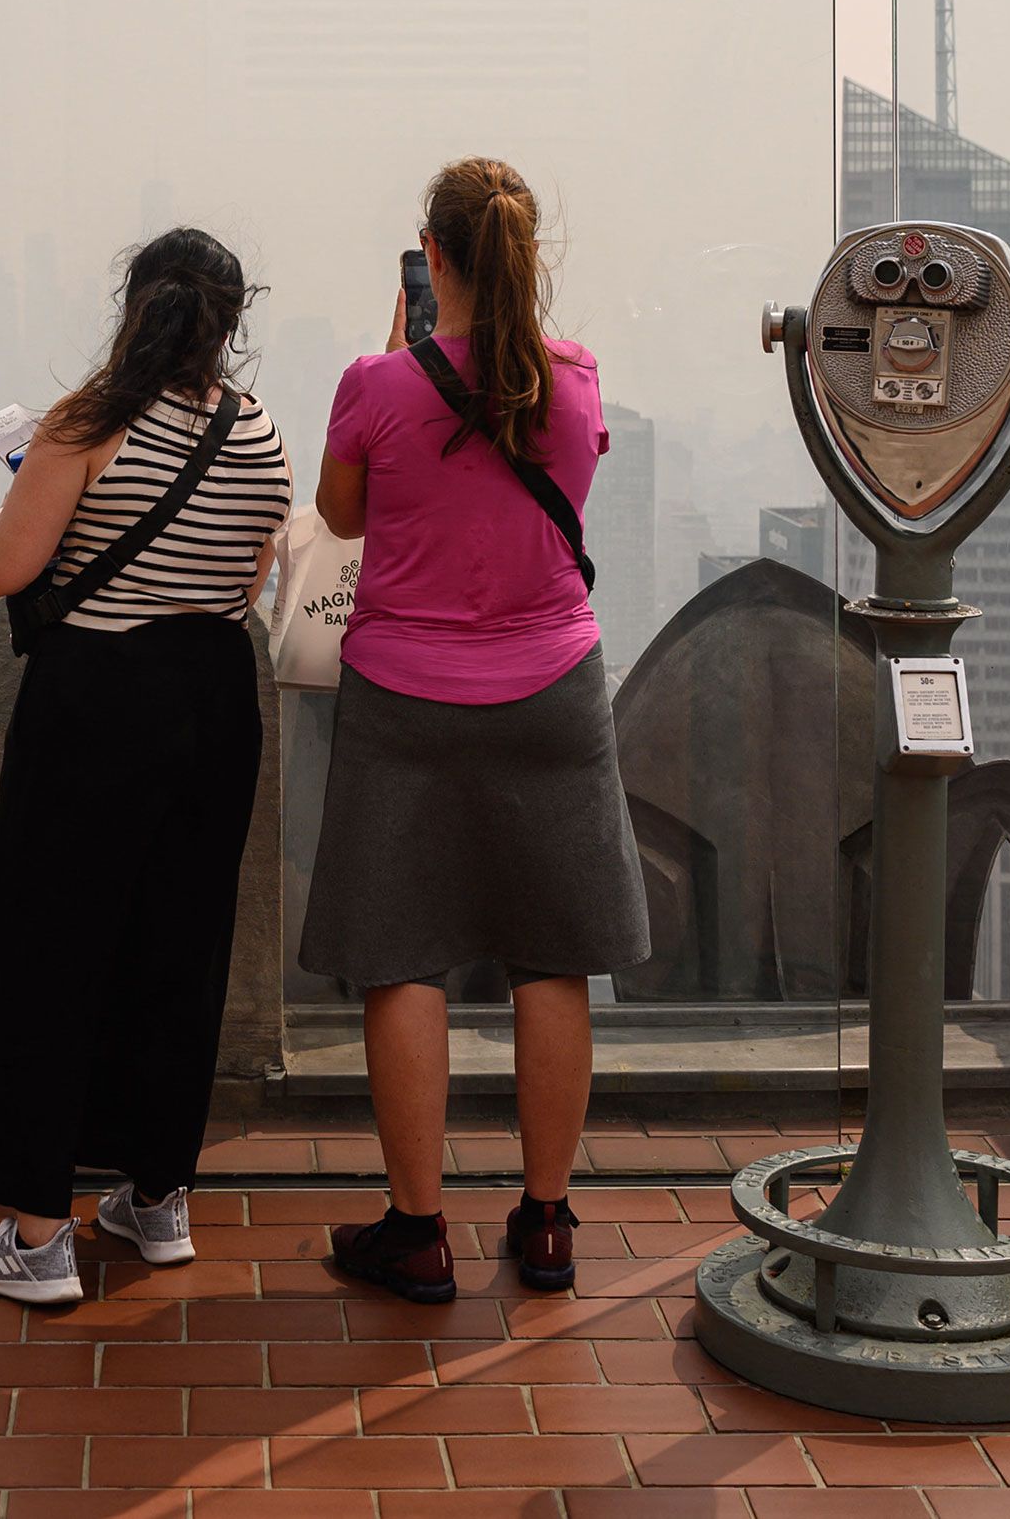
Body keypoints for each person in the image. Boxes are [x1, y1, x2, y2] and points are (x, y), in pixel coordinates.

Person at [299, 157, 651, 1303]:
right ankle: (546, 1224)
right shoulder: (578, 379)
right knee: (553, 955)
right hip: (552, 686)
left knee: (404, 958)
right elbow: (566, 485)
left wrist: (396, 363)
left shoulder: (377, 382)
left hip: (406, 698)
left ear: (431, 257)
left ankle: (417, 1230)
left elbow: (342, 513)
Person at [0, 229, 295, 1306]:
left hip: (95, 699)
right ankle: (158, 1199)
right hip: (213, 698)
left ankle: (41, 1234)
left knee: (50, 951)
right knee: (178, 947)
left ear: (135, 306)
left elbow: (8, 565)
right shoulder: (260, 433)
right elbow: (246, 584)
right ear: (231, 320)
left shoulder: (88, 421)